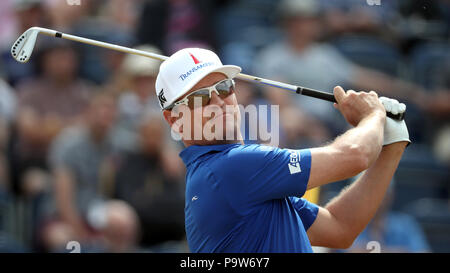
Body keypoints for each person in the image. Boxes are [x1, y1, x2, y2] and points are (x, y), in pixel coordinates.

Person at [157, 47, 410, 253]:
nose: (219, 102)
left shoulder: (241, 179)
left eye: (224, 88)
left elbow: (340, 229)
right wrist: (373, 116)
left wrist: (391, 145)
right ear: (174, 119)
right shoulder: (230, 168)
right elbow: (355, 154)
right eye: (200, 98)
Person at [41, 92, 139, 252]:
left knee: (123, 218)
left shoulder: (117, 141)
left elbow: (144, 141)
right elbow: (63, 199)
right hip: (63, 216)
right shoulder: (68, 143)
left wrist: (165, 149)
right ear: (88, 112)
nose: (104, 116)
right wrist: (82, 235)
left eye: (110, 111)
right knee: (62, 239)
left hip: (99, 213)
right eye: (100, 109)